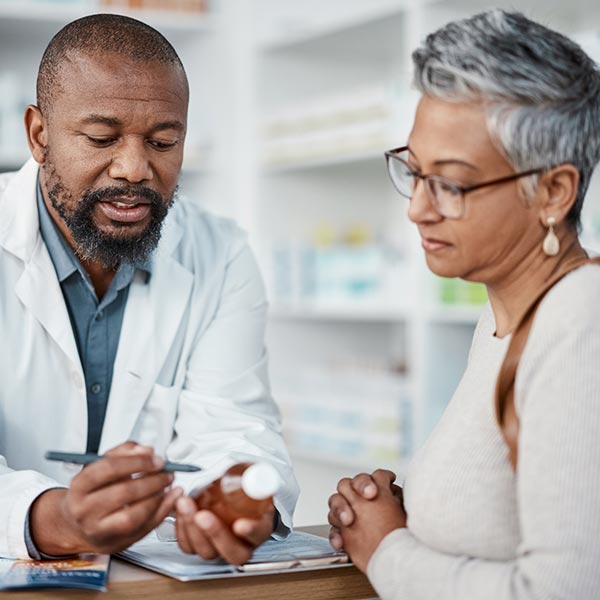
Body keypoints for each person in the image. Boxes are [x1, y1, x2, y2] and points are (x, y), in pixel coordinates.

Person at [0, 13, 298, 564]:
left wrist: (234, 498)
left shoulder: (221, 253)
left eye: (164, 141)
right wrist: (53, 518)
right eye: (101, 138)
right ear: (38, 135)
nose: (135, 169)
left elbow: (235, 424)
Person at [327, 10, 600, 599]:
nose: (417, 209)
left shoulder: (581, 321)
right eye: (414, 171)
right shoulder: (504, 315)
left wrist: (388, 549)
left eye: (450, 184)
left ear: (553, 191)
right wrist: (401, 511)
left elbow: (564, 591)